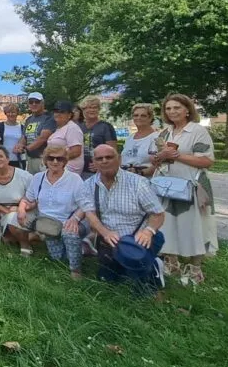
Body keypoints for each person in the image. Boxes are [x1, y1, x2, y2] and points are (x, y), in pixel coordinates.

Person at [77, 145, 165, 292]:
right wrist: (105, 233)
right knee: (107, 282)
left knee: (142, 290)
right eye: (99, 158)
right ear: (94, 162)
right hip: (110, 240)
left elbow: (158, 214)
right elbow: (90, 214)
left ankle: (153, 267)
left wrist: (148, 231)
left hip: (137, 239)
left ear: (119, 159)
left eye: (109, 157)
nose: (104, 161)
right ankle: (124, 265)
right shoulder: (88, 185)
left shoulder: (138, 183)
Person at [150, 93, 217, 285]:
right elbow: (157, 160)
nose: (172, 112)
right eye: (169, 108)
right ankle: (172, 262)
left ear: (187, 110)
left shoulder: (197, 131)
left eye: (177, 108)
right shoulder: (164, 133)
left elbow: (207, 160)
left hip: (192, 185)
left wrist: (177, 155)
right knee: (168, 224)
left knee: (194, 225)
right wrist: (159, 157)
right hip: (167, 185)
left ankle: (195, 269)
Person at [18, 144, 87, 279]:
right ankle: (81, 248)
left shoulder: (74, 179)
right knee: (58, 260)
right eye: (51, 158)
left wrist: (75, 219)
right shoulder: (38, 177)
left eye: (59, 159)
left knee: (70, 233)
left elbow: (85, 205)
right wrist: (21, 209)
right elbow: (27, 198)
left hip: (69, 220)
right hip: (48, 224)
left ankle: (76, 271)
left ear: (65, 161)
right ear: (45, 160)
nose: (55, 162)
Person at [0, 146, 34, 255]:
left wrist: (21, 208)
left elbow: (35, 198)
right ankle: (34, 236)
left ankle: (26, 246)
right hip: (3, 210)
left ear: (8, 159)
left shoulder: (24, 176)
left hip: (25, 210)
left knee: (11, 221)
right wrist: (5, 210)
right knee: (7, 240)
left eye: (1, 156)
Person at [80, 95, 118, 178]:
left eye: (95, 108)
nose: (92, 110)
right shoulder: (79, 127)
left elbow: (113, 151)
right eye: (89, 107)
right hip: (79, 171)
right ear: (83, 110)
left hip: (100, 172)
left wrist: (100, 164)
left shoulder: (106, 127)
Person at [48, 100, 85, 175]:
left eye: (62, 112)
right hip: (57, 168)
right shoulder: (59, 128)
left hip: (68, 171)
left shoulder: (72, 128)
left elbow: (76, 152)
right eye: (56, 111)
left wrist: (54, 159)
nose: (58, 114)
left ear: (69, 115)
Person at [23, 92, 56, 174]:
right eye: (31, 102)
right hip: (30, 159)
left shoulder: (49, 117)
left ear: (42, 103)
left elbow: (43, 138)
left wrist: (26, 149)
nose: (34, 104)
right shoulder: (28, 119)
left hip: (43, 159)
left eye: (37, 102)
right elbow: (24, 137)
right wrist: (20, 145)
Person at [121, 103, 159, 172]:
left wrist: (139, 172)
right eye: (136, 115)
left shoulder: (156, 138)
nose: (139, 118)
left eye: (143, 116)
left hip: (145, 179)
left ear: (150, 118)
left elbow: (159, 165)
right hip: (127, 177)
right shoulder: (130, 138)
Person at [0, 104, 26, 169]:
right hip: (4, 159)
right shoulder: (0, 126)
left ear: (17, 113)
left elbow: (25, 142)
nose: (11, 114)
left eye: (13, 112)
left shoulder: (22, 127)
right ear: (5, 113)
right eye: (8, 112)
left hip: (19, 159)